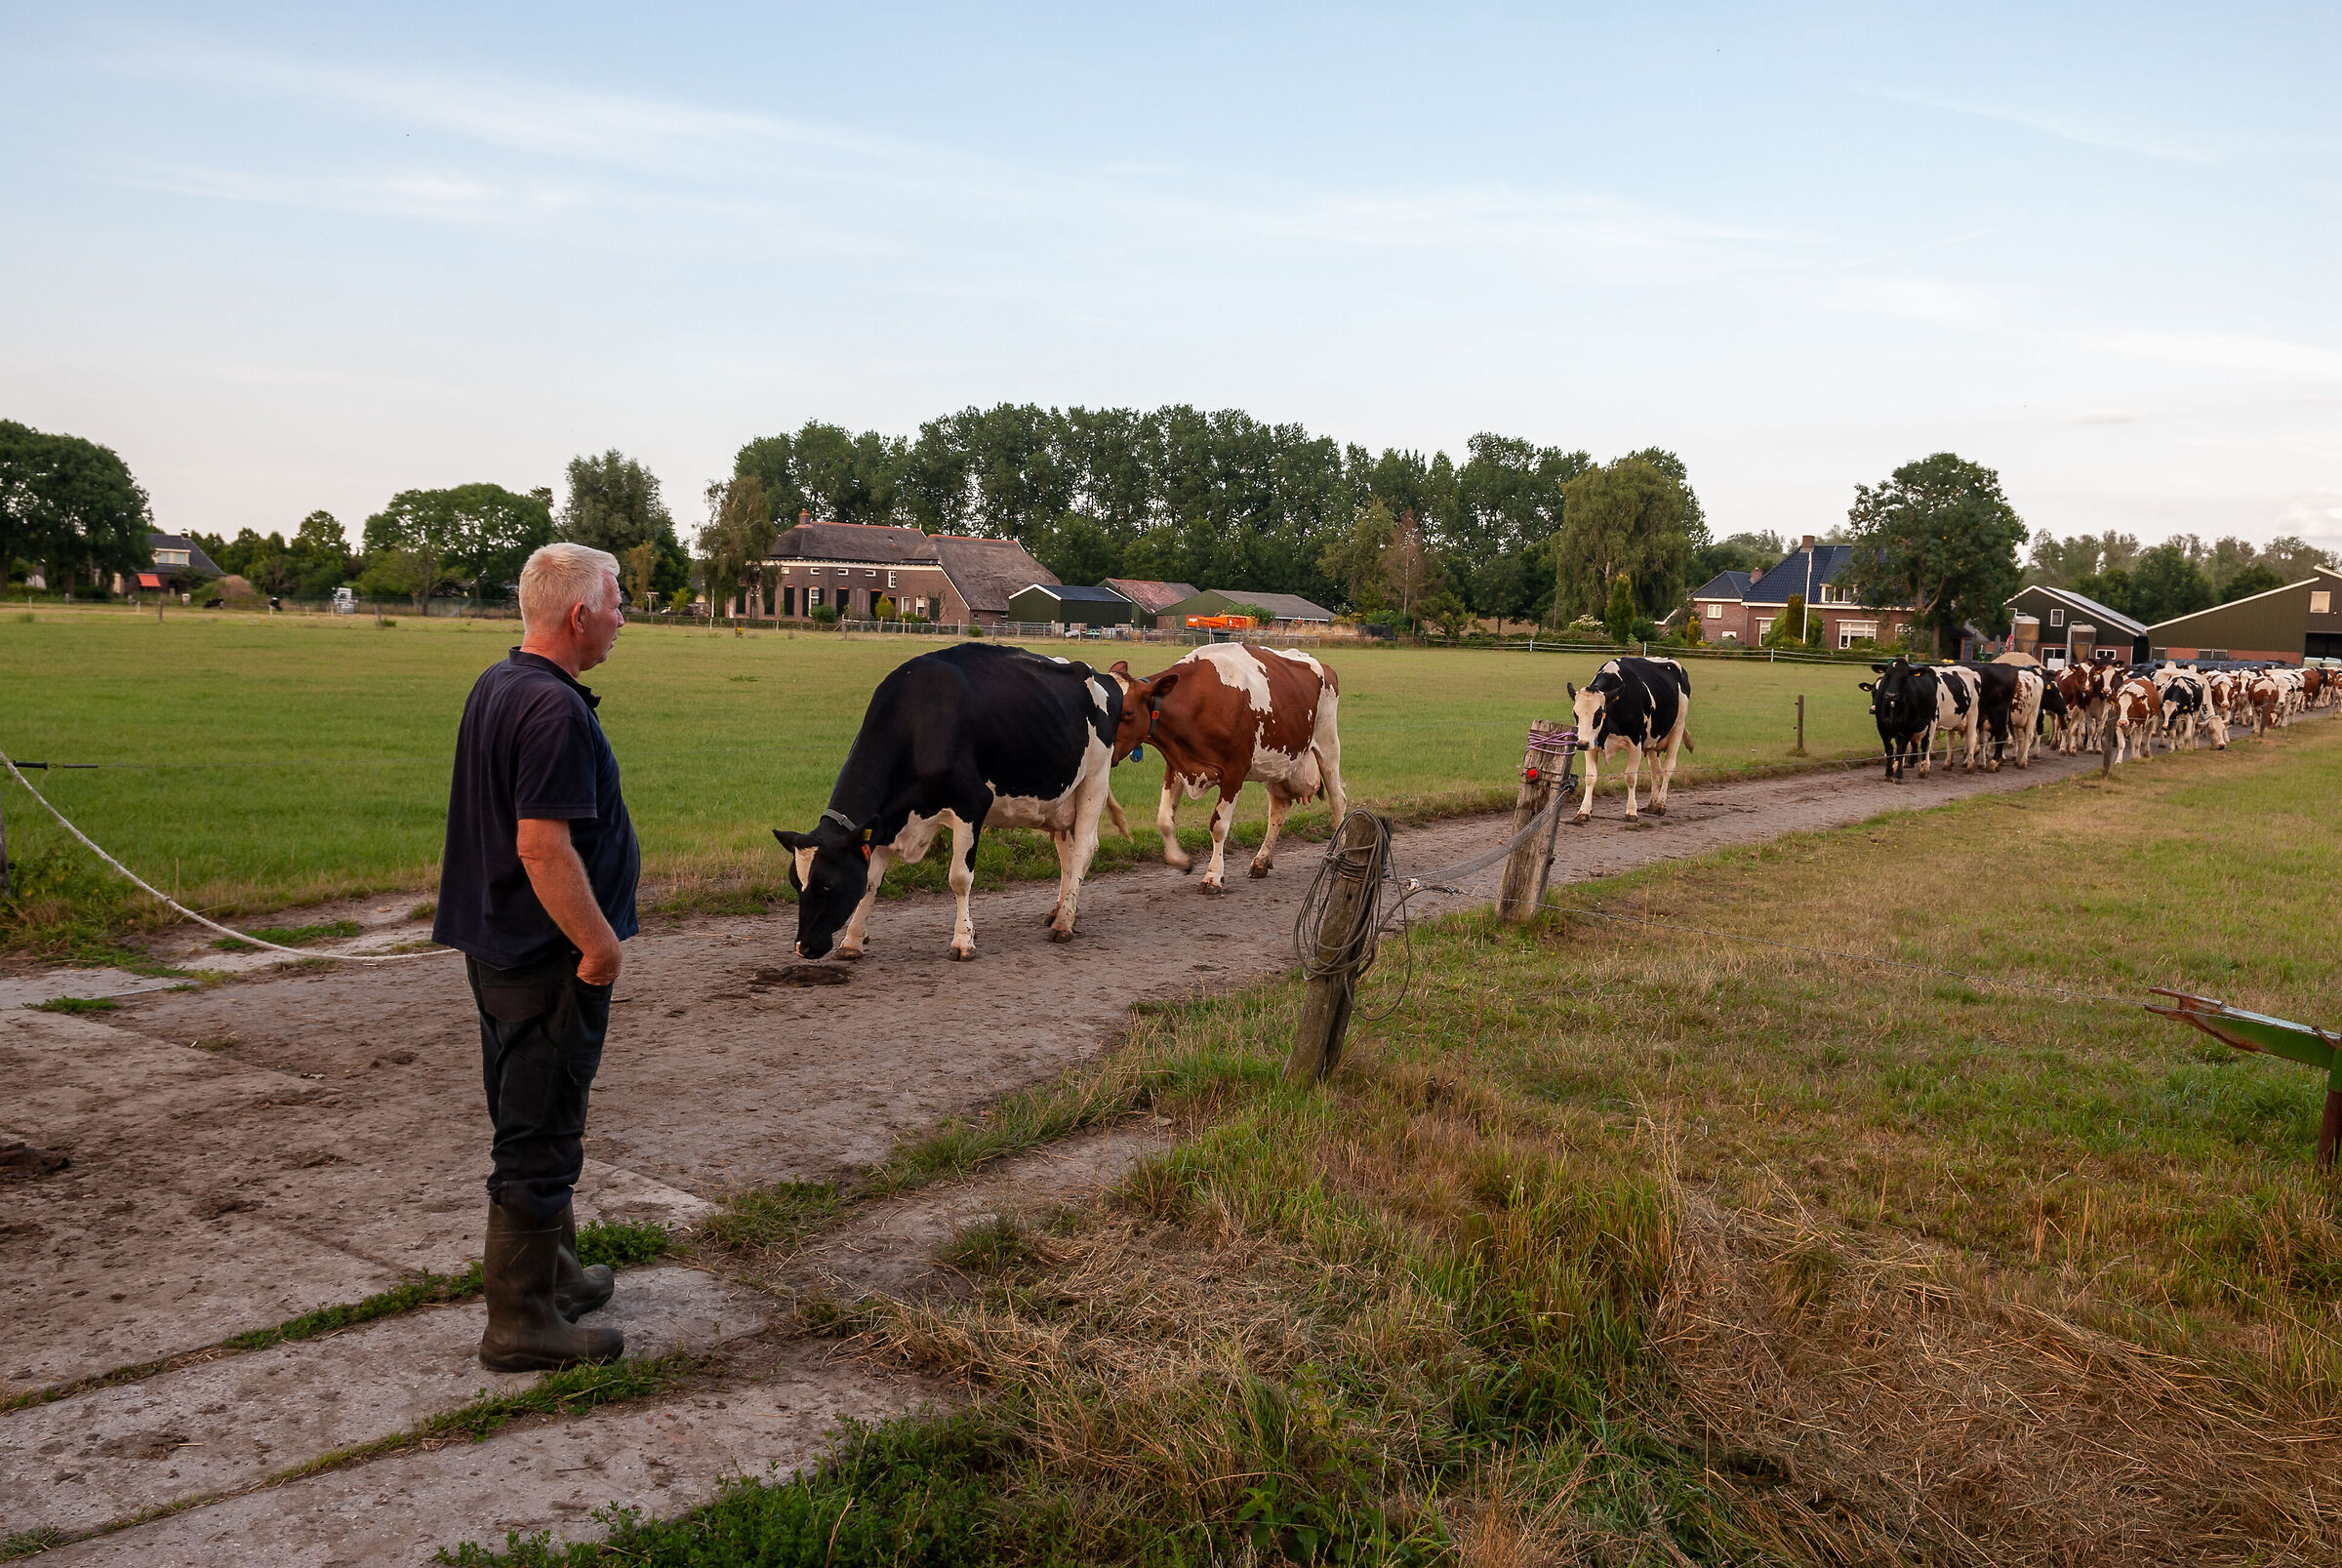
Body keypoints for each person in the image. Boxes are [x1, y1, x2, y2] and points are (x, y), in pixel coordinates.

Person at [432, 543, 638, 1371]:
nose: (623, 618)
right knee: (541, 1127)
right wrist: (599, 945)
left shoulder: (502, 681)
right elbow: (542, 846)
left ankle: (554, 1273)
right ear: (579, 615)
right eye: (617, 603)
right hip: (545, 955)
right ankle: (520, 1321)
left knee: (532, 1110)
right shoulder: (552, 709)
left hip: (500, 945)